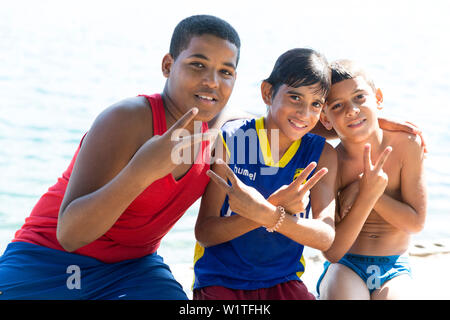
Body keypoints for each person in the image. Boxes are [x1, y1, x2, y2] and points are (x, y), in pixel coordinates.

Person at [0, 14, 241, 300]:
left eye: (225, 72)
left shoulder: (224, 130)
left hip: (133, 270)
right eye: (197, 65)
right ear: (168, 65)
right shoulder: (126, 119)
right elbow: (70, 235)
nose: (212, 82)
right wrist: (140, 173)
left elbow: (285, 122)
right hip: (47, 260)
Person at [192, 48, 338, 300]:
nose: (305, 113)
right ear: (267, 93)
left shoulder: (322, 154)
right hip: (221, 280)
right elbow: (205, 233)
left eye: (315, 104)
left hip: (283, 279)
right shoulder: (232, 140)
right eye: (295, 98)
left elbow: (325, 237)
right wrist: (274, 208)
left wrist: (268, 213)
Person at [316, 59, 427, 300]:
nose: (352, 110)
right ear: (325, 119)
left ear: (378, 98)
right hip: (346, 265)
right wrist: (367, 192)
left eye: (359, 98)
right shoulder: (332, 160)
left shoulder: (407, 145)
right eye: (337, 105)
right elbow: (333, 252)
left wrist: (368, 191)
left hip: (394, 267)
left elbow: (415, 223)